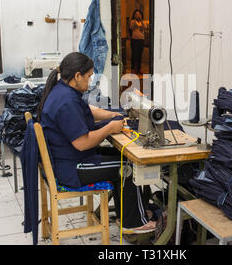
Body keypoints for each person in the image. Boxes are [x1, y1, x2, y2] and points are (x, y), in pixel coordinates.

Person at [37, 52, 156, 233]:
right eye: (89, 76)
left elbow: (87, 110)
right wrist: (109, 128)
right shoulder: (66, 101)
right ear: (77, 76)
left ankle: (130, 212)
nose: (90, 81)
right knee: (129, 167)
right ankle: (134, 223)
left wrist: (111, 115)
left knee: (123, 155)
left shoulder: (63, 90)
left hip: (67, 159)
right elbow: (82, 143)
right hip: (71, 168)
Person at [129, 10, 146, 75]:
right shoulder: (133, 21)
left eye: (139, 14)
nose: (137, 15)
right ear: (134, 15)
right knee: (134, 55)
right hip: (134, 40)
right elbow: (132, 27)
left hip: (141, 40)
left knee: (139, 55)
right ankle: (133, 68)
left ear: (141, 15)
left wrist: (141, 22)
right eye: (136, 14)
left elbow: (144, 28)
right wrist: (137, 25)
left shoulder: (143, 22)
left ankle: (139, 68)